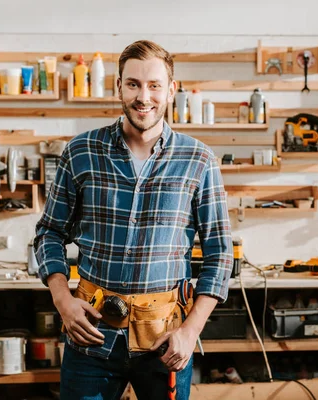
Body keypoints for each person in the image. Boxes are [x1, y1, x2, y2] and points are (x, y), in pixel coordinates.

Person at [34, 40, 234, 400]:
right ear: (119, 87)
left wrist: (191, 331)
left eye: (154, 85)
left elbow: (220, 255)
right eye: (133, 84)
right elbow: (49, 232)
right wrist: (63, 300)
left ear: (171, 90)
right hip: (90, 336)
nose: (144, 97)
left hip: (165, 340)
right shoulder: (81, 152)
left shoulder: (198, 160)